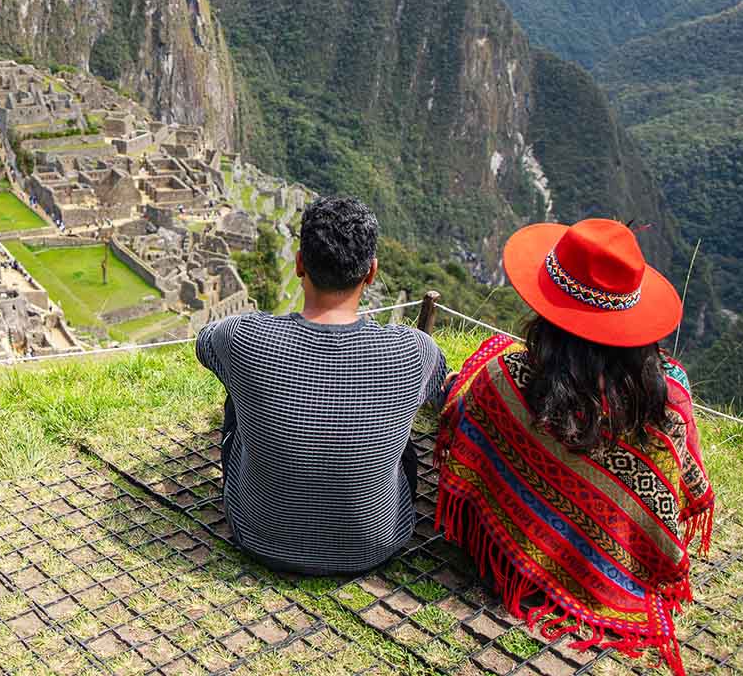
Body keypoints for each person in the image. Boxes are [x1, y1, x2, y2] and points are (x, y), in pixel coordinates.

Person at [434, 218, 714, 676]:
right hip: (618, 583)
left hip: (503, 564)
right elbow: (679, 491)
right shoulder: (669, 411)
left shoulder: (503, 382)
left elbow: (465, 445)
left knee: (486, 357)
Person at [196, 196, 448, 575]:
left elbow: (204, 344)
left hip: (258, 535)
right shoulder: (414, 351)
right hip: (376, 544)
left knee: (237, 392)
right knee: (400, 427)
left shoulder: (243, 337)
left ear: (299, 264)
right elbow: (439, 380)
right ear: (371, 272)